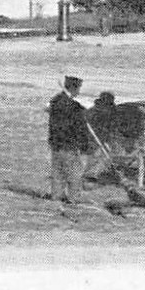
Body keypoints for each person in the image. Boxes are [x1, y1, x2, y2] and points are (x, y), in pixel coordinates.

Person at [47, 75, 93, 203]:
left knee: (57, 172)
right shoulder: (73, 107)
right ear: (74, 88)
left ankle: (56, 197)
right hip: (68, 144)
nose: (79, 92)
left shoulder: (55, 100)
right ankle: (73, 199)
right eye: (78, 88)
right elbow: (79, 128)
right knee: (74, 174)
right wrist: (84, 146)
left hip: (55, 143)